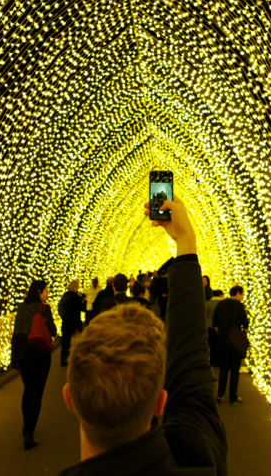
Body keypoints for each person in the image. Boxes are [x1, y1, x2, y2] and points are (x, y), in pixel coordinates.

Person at [59, 195, 227, 476]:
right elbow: (190, 359)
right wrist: (186, 242)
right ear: (159, 402)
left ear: (70, 398)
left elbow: (190, 362)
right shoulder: (199, 458)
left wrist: (186, 245)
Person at [10, 280, 57, 450]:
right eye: (46, 290)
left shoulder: (21, 307)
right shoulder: (44, 308)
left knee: (27, 389)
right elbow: (53, 330)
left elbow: (17, 329)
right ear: (39, 291)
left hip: (23, 352)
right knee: (37, 393)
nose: (48, 293)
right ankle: (29, 433)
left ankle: (25, 425)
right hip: (39, 354)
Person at [212, 286, 249, 405]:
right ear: (237, 293)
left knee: (223, 369)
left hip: (222, 341)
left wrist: (223, 334)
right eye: (242, 294)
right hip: (235, 343)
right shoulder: (239, 306)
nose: (242, 297)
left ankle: (220, 394)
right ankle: (233, 397)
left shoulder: (221, 304)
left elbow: (215, 325)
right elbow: (246, 326)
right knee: (234, 370)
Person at [59, 280, 84, 366]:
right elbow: (81, 308)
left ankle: (64, 360)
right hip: (75, 322)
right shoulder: (76, 297)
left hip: (66, 322)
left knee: (65, 342)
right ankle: (75, 360)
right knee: (76, 342)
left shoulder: (65, 295)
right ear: (75, 287)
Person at [206, 289, 224, 367]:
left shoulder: (208, 303)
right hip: (219, 326)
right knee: (218, 344)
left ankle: (210, 360)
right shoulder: (222, 304)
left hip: (209, 326)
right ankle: (218, 361)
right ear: (220, 295)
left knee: (210, 344)